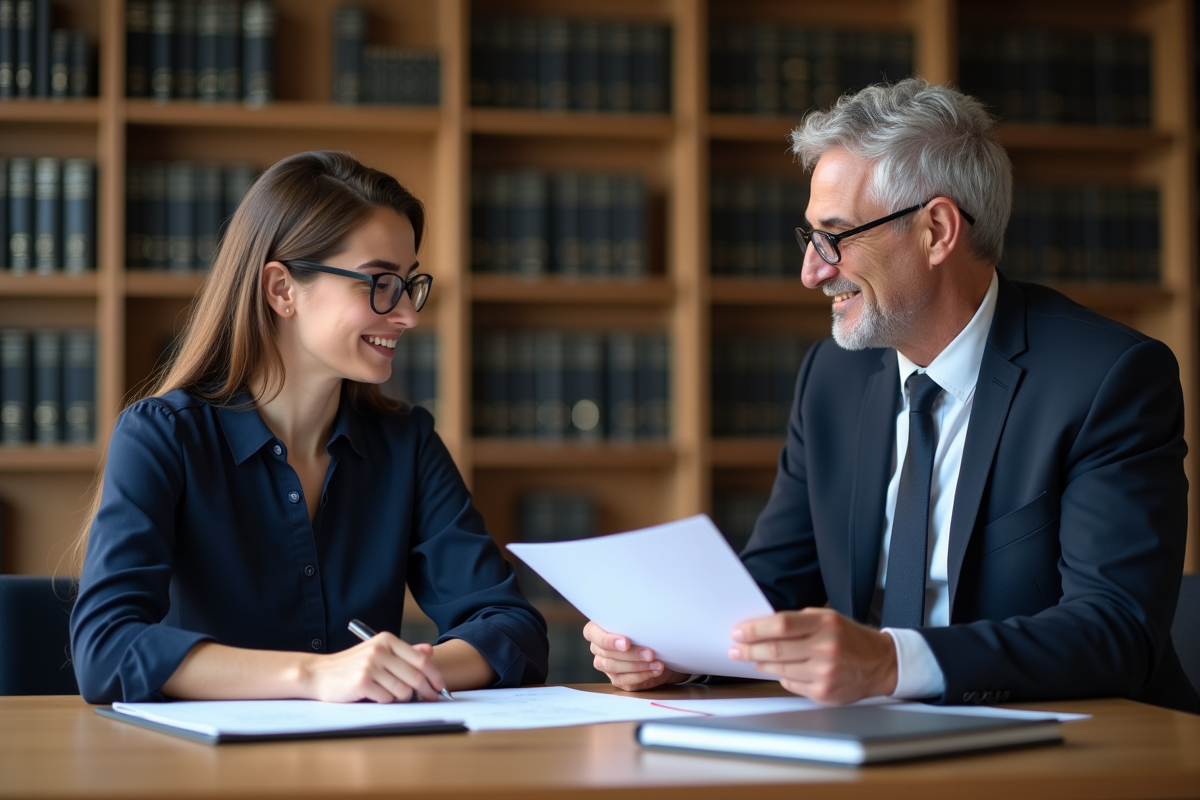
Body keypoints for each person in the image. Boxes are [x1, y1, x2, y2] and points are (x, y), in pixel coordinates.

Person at [585, 78, 1200, 713]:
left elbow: (1117, 630)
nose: (812, 272)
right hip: (870, 737)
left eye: (836, 236)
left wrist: (889, 663)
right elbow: (773, 586)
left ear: (936, 230)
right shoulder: (831, 378)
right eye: (809, 239)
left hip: (1079, 742)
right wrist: (670, 647)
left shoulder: (1108, 378)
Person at [70, 151, 547, 704]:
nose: (409, 316)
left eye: (408, 284)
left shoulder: (407, 444)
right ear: (281, 290)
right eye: (378, 283)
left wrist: (397, 671)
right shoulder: (161, 437)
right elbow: (105, 649)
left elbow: (512, 627)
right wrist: (318, 676)